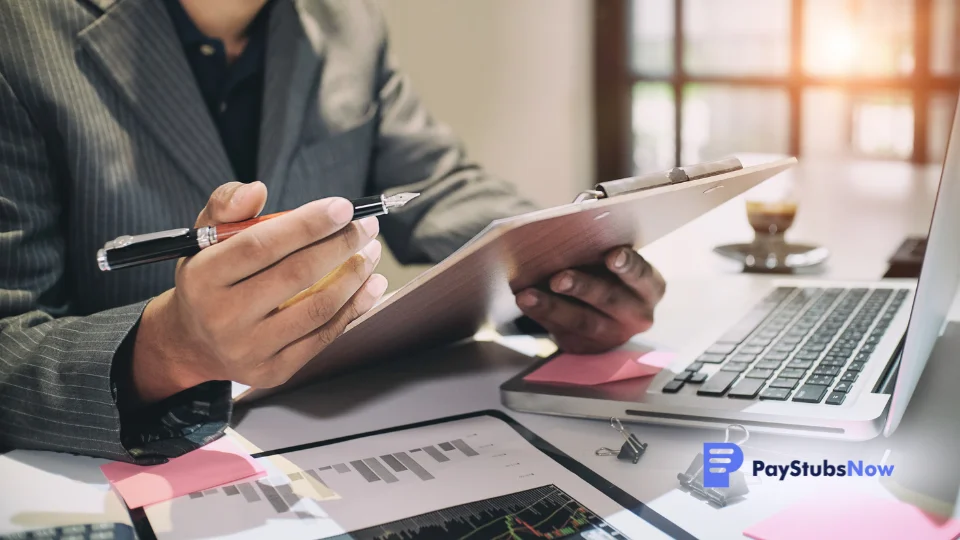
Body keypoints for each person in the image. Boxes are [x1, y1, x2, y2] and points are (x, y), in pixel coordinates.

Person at [0, 0, 666, 464]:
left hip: (324, 445)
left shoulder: (346, 20)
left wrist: (565, 264)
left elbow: (441, 185)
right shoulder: (20, 37)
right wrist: (171, 350)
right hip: (131, 477)